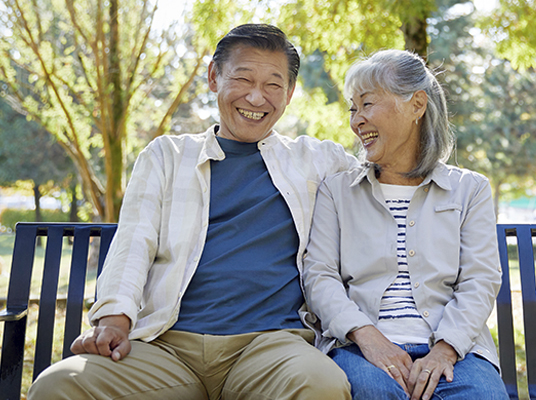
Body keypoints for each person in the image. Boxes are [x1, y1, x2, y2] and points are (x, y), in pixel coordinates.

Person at [28, 24, 356, 400]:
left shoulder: (319, 161)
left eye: (272, 85)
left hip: (272, 348)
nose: (256, 96)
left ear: (290, 93)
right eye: (243, 78)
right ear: (214, 77)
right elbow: (134, 241)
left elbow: (388, 175)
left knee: (321, 385)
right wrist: (115, 316)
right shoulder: (166, 156)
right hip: (166, 346)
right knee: (58, 387)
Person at [302, 49, 509, 400]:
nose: (356, 121)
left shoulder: (469, 189)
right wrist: (369, 338)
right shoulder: (336, 191)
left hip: (456, 350)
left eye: (367, 104)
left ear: (417, 105)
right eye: (353, 109)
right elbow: (319, 275)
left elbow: (480, 279)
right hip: (359, 348)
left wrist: (445, 349)